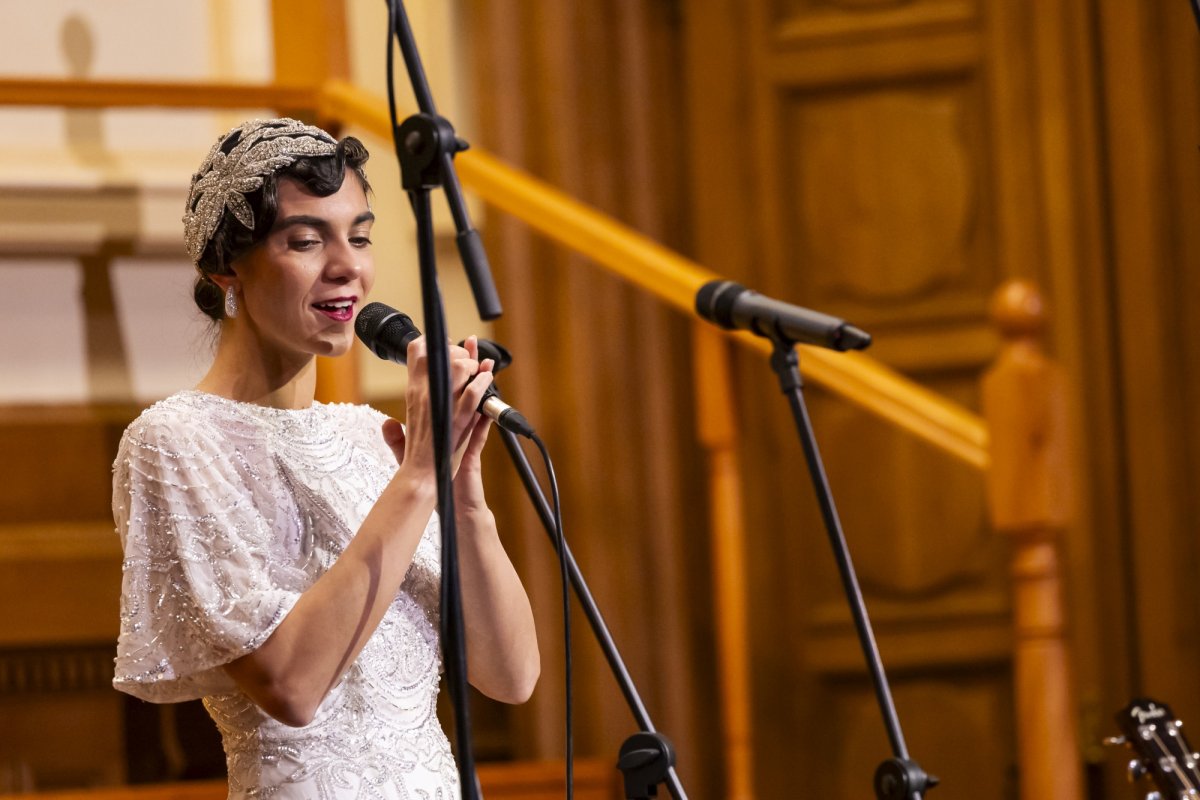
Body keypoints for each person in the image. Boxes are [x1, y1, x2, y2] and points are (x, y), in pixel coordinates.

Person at [112, 117, 539, 799]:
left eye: (361, 236)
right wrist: (420, 477)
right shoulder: (176, 441)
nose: (349, 267)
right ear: (228, 268)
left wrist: (461, 493)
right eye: (307, 241)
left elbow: (511, 676)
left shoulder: (373, 437)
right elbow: (292, 685)